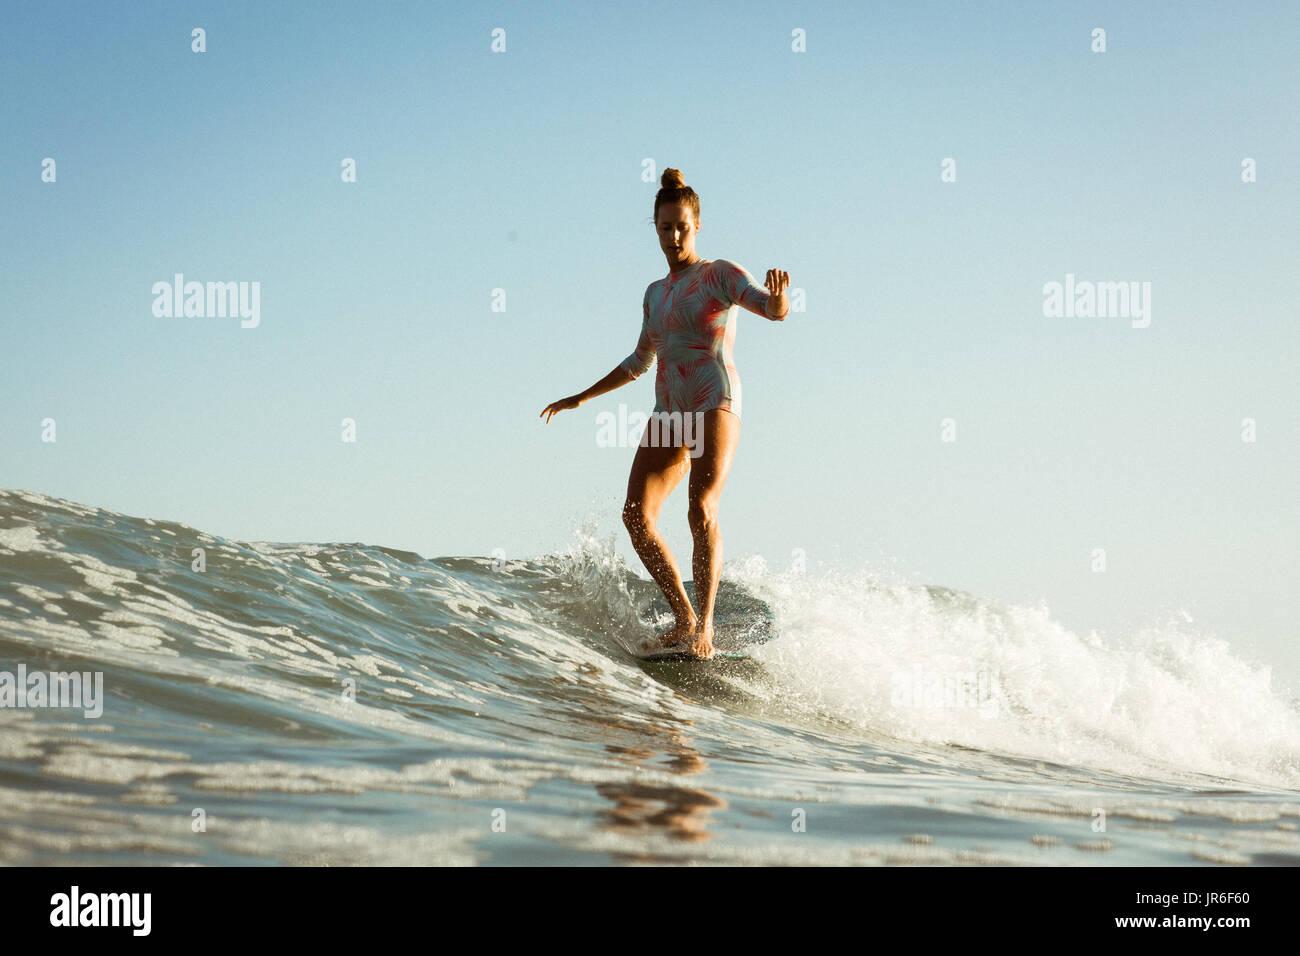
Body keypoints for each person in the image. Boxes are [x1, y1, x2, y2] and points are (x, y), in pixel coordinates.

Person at [541, 168, 789, 658]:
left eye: (682, 227)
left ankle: (706, 629)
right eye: (664, 228)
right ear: (654, 228)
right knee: (636, 514)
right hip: (669, 410)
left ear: (696, 225)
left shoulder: (719, 274)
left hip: (715, 401)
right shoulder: (654, 294)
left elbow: (770, 309)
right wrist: (581, 397)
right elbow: (639, 361)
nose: (673, 237)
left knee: (700, 508)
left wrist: (780, 299)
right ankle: (683, 616)